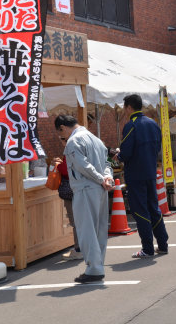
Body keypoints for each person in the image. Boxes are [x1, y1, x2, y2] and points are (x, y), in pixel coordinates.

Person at [55, 115, 113, 284]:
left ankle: (94, 268)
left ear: (63, 128)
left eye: (61, 134)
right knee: (100, 229)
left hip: (85, 188)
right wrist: (106, 178)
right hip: (100, 188)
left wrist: (100, 179)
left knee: (86, 229)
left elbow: (83, 165)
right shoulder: (96, 139)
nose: (62, 137)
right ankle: (98, 265)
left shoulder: (74, 141)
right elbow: (107, 163)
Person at [118, 94, 169, 259]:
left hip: (135, 174)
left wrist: (117, 155)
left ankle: (147, 248)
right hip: (150, 171)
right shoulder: (153, 123)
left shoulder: (130, 125)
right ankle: (162, 244)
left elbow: (125, 153)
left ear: (129, 107)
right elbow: (158, 148)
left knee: (140, 210)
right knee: (154, 208)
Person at [53, 140, 82, 261]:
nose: (61, 142)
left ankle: (79, 250)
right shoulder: (83, 147)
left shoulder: (70, 150)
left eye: (62, 139)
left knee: (76, 222)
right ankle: (84, 248)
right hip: (82, 189)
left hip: (71, 190)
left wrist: (58, 164)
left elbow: (66, 170)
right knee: (83, 221)